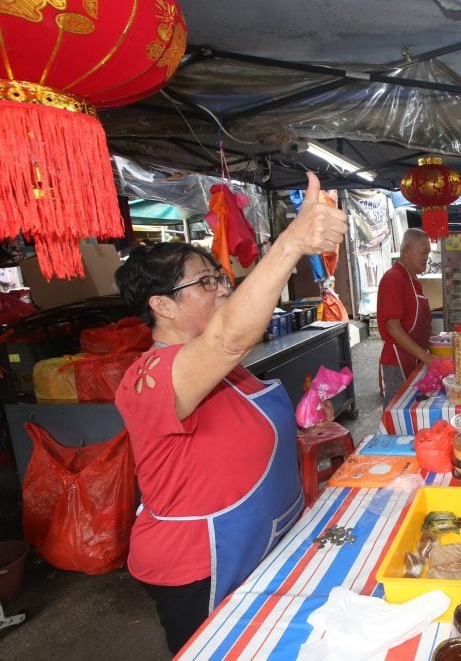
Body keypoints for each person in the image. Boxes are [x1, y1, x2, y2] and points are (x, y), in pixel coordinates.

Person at [113, 172, 346, 653]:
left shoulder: (226, 368)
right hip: (200, 564)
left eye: (219, 276)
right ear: (162, 305)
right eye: (206, 281)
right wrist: (291, 243)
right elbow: (228, 336)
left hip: (261, 540)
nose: (224, 288)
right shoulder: (151, 376)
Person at [377, 228, 433, 407]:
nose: (427, 257)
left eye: (428, 253)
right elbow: (393, 328)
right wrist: (425, 357)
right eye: (423, 252)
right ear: (407, 252)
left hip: (413, 357)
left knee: (412, 408)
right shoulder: (393, 278)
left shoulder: (412, 279)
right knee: (397, 409)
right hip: (397, 360)